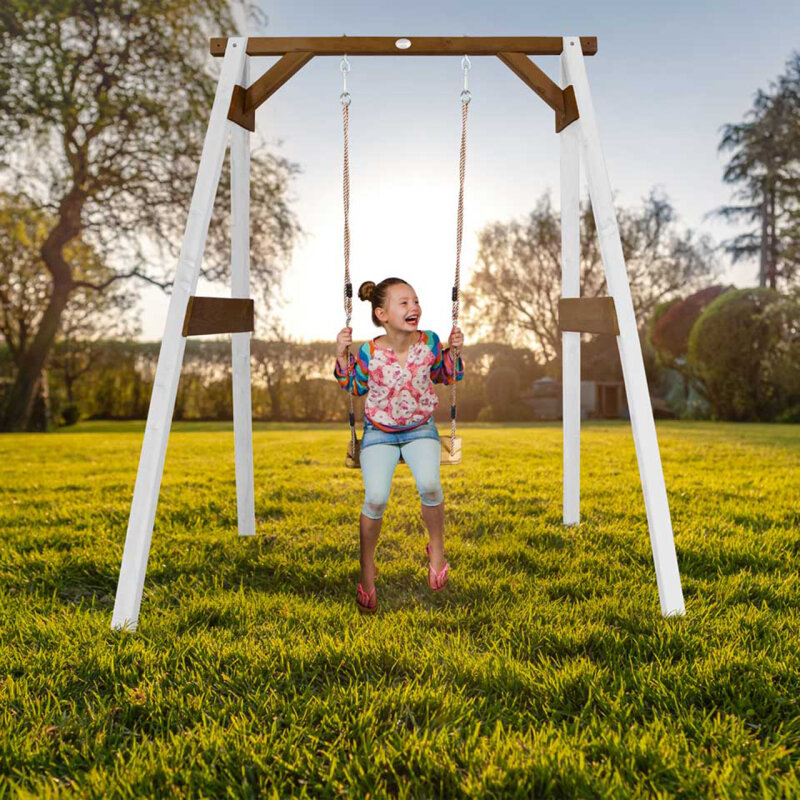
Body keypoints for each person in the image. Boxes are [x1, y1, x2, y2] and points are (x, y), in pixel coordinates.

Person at [334, 277, 465, 613]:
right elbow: (353, 386)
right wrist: (340, 353)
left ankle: (436, 550)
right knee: (376, 498)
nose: (414, 307)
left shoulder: (430, 342)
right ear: (382, 314)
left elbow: (447, 375)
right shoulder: (368, 351)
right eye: (404, 303)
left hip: (421, 428)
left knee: (431, 485)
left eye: (416, 301)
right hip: (379, 433)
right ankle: (367, 569)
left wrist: (455, 351)